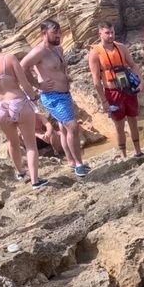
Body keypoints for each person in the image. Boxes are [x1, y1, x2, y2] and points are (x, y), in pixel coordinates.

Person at [0, 27, 47, 189]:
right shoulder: (9, 58)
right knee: (30, 144)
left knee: (12, 142)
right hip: (18, 101)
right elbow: (24, 83)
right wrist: (34, 99)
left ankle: (20, 172)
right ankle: (35, 181)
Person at [21, 19, 89, 177]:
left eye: (59, 32)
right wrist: (38, 85)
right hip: (52, 96)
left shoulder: (58, 48)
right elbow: (23, 65)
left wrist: (65, 76)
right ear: (44, 33)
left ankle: (71, 161)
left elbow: (59, 68)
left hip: (64, 94)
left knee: (63, 128)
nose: (58, 35)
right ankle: (79, 165)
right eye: (54, 33)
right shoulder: (39, 51)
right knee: (72, 126)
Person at [87, 20, 144, 159]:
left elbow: (133, 65)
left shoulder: (121, 47)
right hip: (112, 92)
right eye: (107, 33)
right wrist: (104, 101)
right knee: (119, 125)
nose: (111, 35)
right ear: (100, 34)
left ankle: (138, 151)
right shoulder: (95, 53)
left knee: (133, 120)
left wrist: (141, 81)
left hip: (128, 89)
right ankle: (123, 154)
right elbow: (96, 79)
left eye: (112, 32)